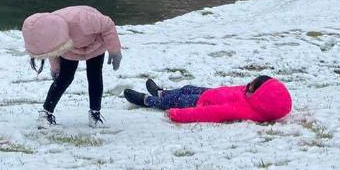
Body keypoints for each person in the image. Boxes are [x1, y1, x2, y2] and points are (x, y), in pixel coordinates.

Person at [22, 6, 123, 128]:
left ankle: (94, 114)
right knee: (64, 78)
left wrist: (115, 50)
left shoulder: (82, 19)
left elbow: (108, 24)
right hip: (70, 48)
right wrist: (55, 68)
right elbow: (52, 50)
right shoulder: (49, 28)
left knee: (94, 76)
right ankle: (46, 113)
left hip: (95, 43)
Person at [123, 75, 291, 124]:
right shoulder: (250, 95)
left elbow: (211, 113)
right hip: (208, 94)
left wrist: (177, 115)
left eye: (251, 87)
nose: (246, 87)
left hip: (201, 103)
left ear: (259, 95)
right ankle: (161, 92)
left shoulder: (244, 109)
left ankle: (147, 100)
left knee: (178, 99)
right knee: (186, 88)